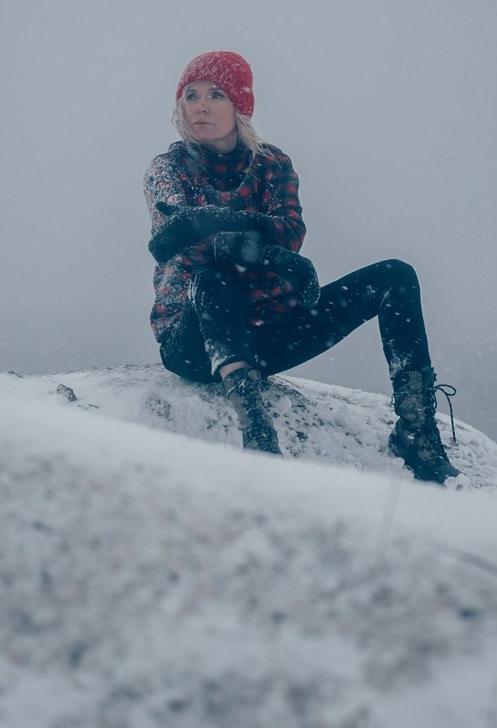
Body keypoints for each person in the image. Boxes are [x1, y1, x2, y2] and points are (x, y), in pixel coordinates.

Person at [143, 50, 460, 484]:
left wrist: (222, 226)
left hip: (268, 335)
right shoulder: (168, 168)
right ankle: (256, 430)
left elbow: (290, 230)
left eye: (216, 94)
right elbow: (178, 244)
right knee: (213, 273)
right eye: (191, 95)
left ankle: (417, 429)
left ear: (240, 105)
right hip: (195, 344)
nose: (200, 105)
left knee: (396, 275)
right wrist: (269, 253)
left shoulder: (271, 163)